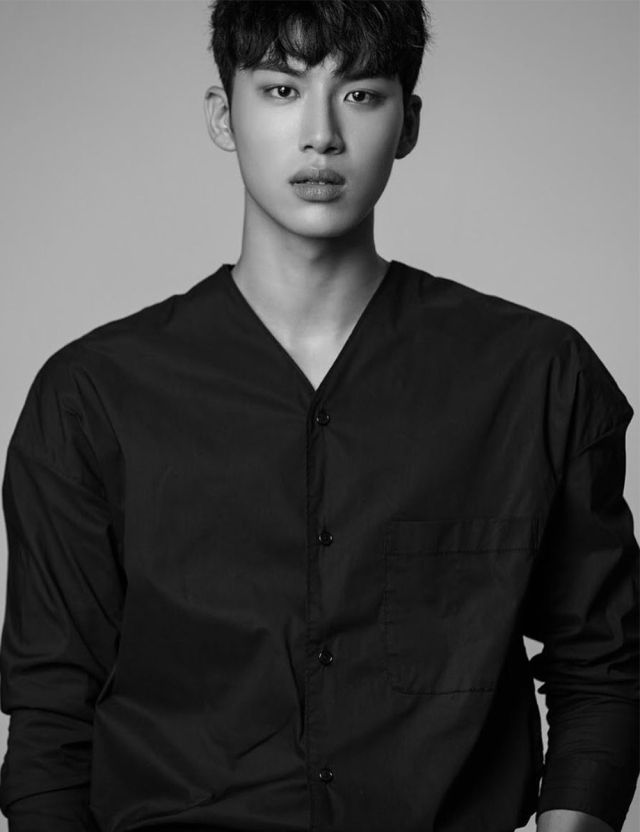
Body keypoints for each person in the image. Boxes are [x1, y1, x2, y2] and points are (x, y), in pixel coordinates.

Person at [0, 1, 637, 831]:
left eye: (361, 94)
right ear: (222, 116)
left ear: (409, 123)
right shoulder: (91, 397)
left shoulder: (536, 376)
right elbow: (51, 709)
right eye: (281, 90)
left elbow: (605, 662)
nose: (322, 135)